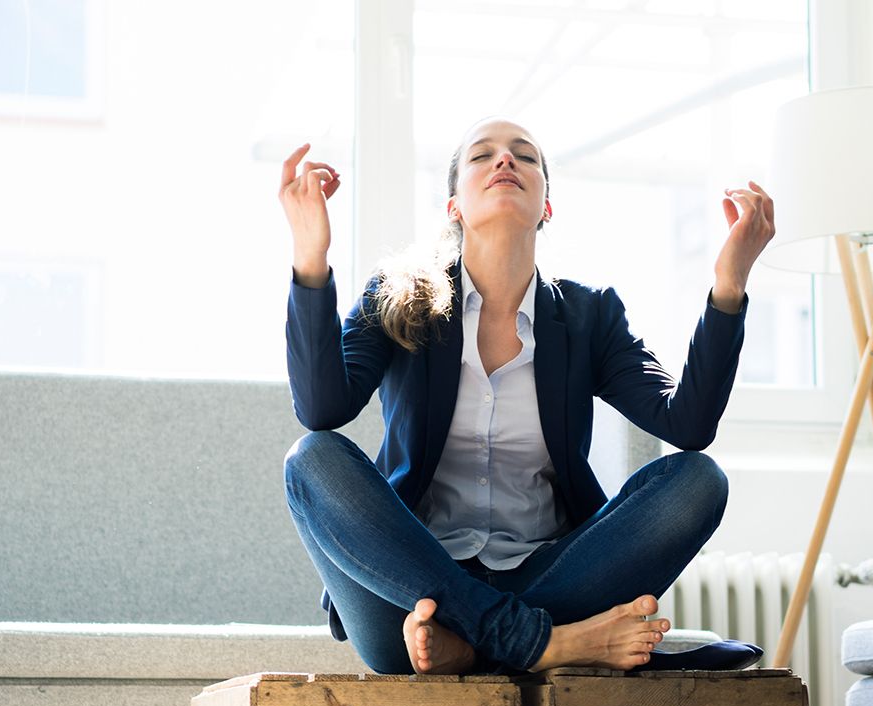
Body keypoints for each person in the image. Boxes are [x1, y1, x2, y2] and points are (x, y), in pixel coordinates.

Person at [279, 117, 775, 676]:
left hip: (548, 580)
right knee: (311, 460)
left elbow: (687, 425)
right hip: (412, 591)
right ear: (454, 207)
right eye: (481, 155)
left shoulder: (590, 317)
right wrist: (310, 255)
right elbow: (322, 409)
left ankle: (480, 647)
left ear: (547, 207)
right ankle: (545, 646)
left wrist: (730, 285)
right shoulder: (397, 296)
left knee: (697, 480)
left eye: (525, 155)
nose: (505, 161)